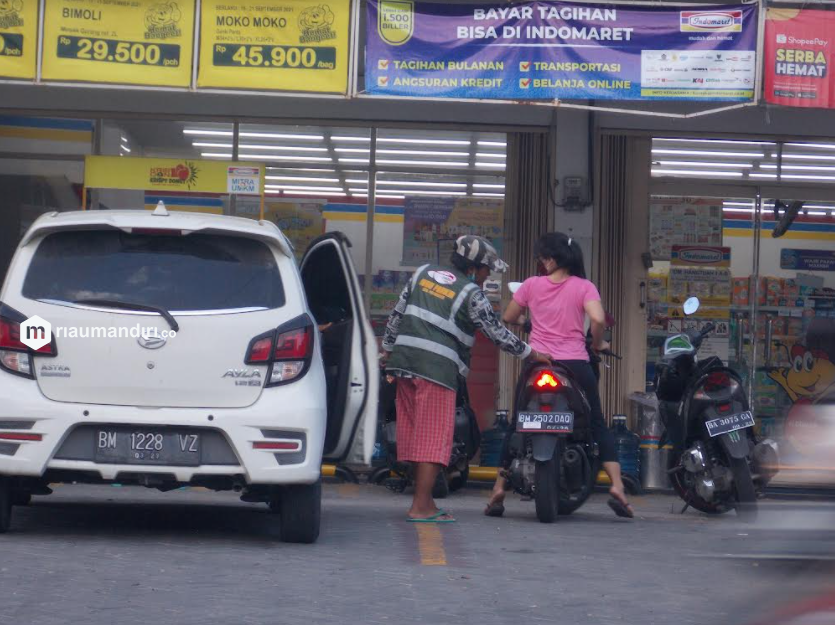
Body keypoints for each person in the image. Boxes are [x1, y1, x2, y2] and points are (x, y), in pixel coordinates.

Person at [382, 235, 551, 523]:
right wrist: (531, 353)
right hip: (435, 371)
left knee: (412, 433)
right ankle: (421, 506)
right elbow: (496, 332)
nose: (487, 276)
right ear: (474, 268)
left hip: (404, 364)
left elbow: (397, 315)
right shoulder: (471, 293)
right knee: (433, 438)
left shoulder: (422, 273)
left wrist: (387, 351)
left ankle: (424, 500)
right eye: (487, 270)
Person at [484, 231, 634, 519]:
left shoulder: (531, 285)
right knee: (596, 424)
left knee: (518, 423)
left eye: (543, 257)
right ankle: (617, 486)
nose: (541, 262)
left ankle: (498, 489)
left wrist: (529, 323)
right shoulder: (584, 287)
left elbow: (508, 317)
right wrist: (596, 342)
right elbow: (599, 319)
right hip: (575, 364)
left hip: (538, 362)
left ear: (552, 259)